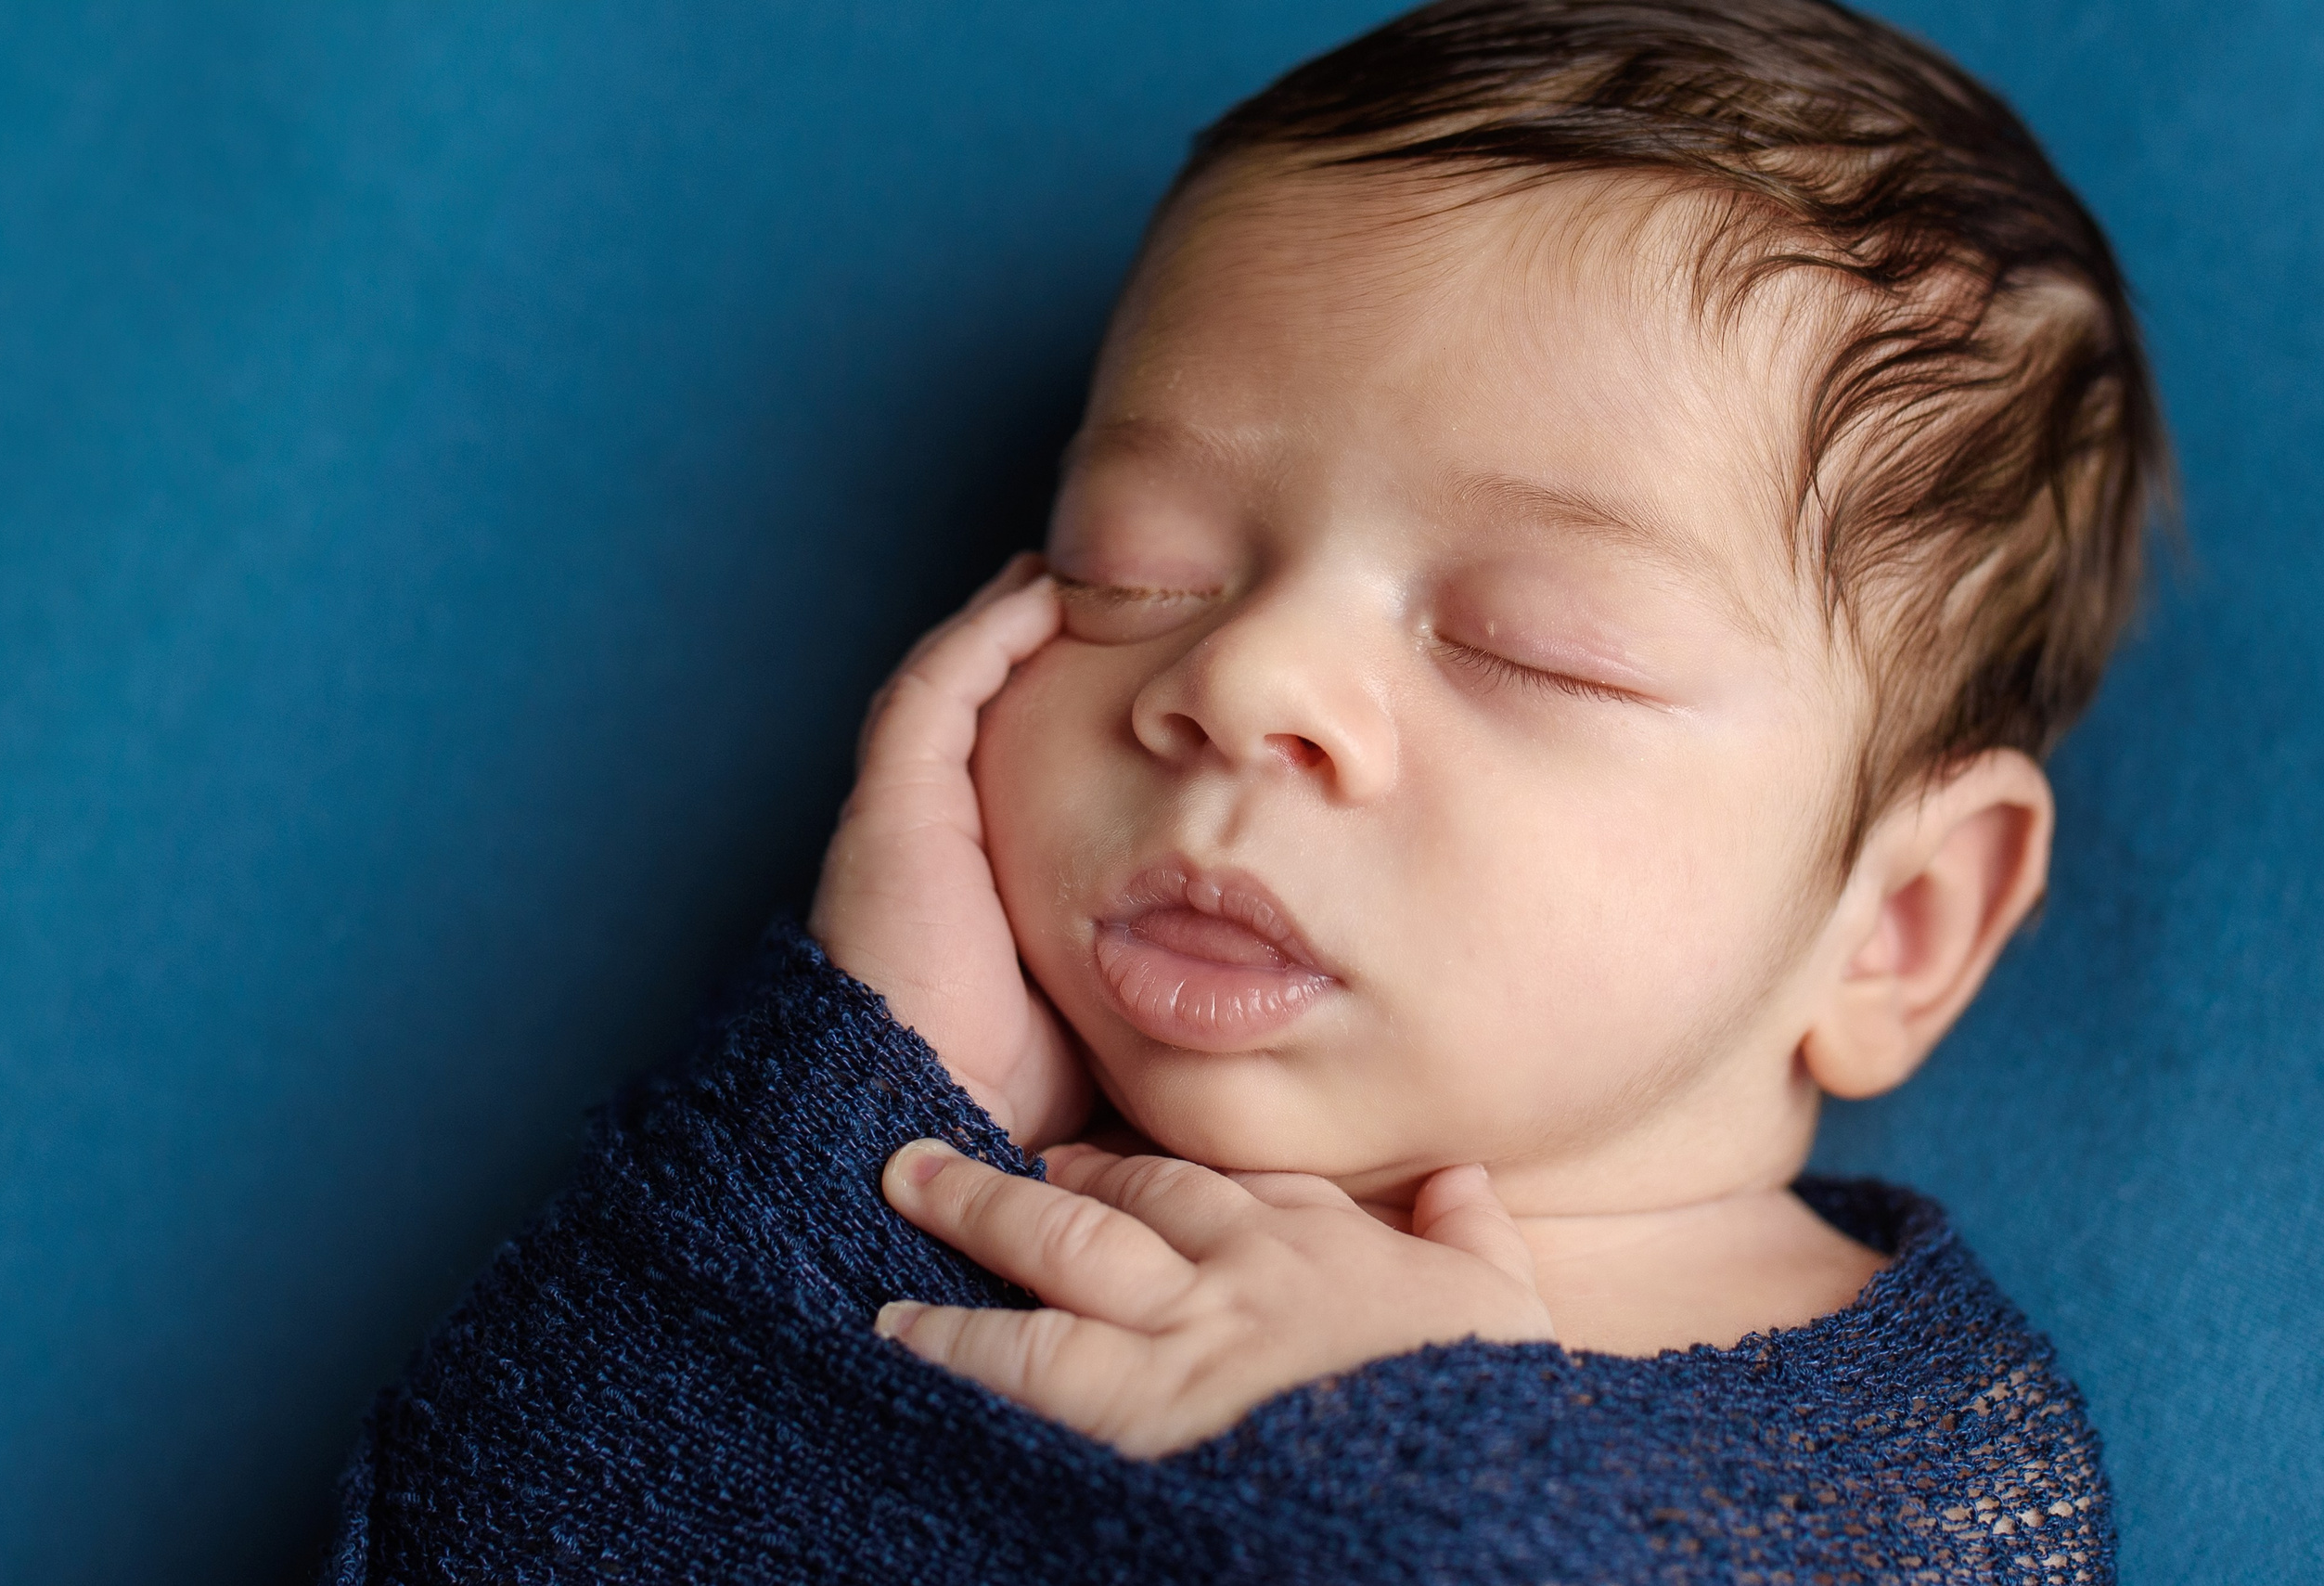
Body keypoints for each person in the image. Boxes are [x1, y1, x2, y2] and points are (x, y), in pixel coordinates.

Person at [324, 2, 2161, 1580]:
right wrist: (860, 1095)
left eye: (1530, 642)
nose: (1238, 684)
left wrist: (1444, 1472)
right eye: (1139, 571)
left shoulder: (1920, 1460)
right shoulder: (926, 1201)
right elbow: (475, 1519)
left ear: (1894, 926)